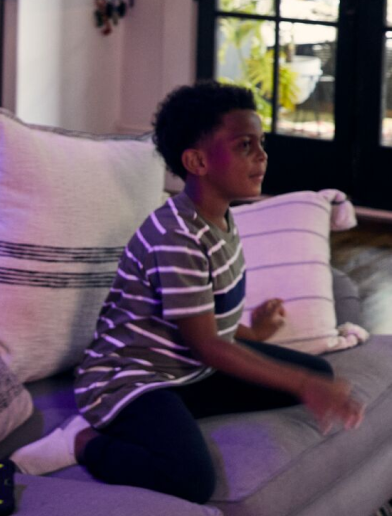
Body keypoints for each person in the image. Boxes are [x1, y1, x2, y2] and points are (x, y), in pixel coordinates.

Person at [10, 81, 364, 503]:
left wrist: (257, 333)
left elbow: (209, 325)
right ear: (197, 161)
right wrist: (303, 384)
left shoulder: (221, 219)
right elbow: (209, 346)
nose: (262, 156)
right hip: (129, 379)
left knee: (319, 373)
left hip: (185, 369)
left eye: (261, 143)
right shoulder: (175, 238)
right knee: (189, 478)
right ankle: (84, 442)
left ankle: (168, 417)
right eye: (244, 146)